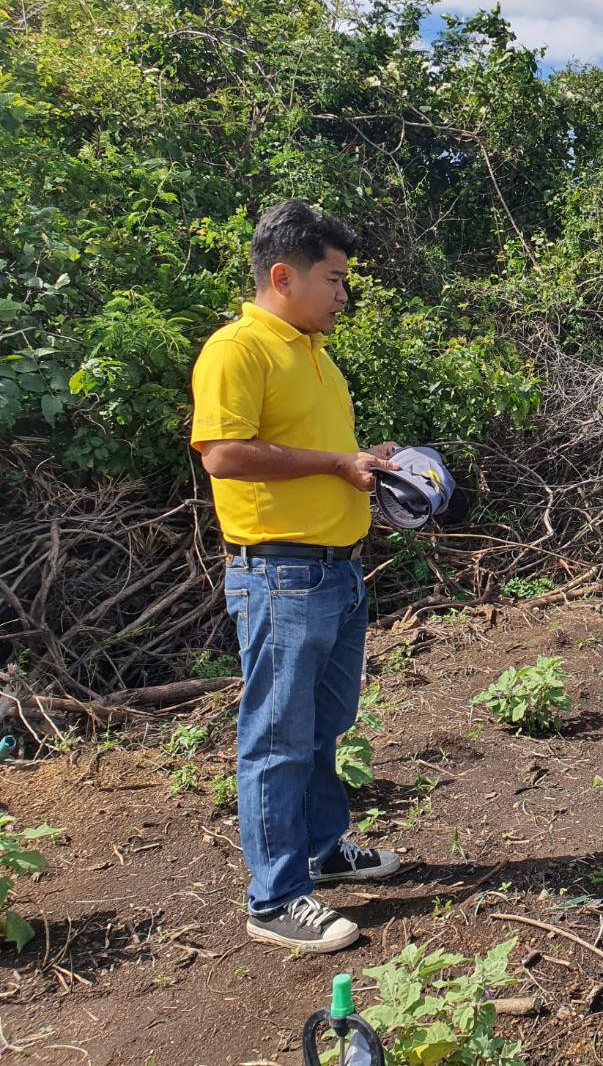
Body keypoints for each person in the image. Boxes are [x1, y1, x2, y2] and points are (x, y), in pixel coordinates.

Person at [190, 200, 403, 953]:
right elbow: (221, 452)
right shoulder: (238, 347)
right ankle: (275, 898)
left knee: (324, 728)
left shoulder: (315, 352)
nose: (343, 294)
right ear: (282, 276)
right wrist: (335, 465)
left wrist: (366, 464)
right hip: (279, 575)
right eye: (333, 278)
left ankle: (320, 852)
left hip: (337, 573)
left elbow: (321, 458)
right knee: (276, 739)